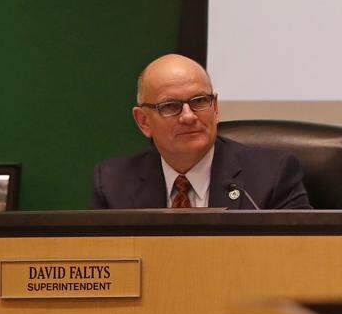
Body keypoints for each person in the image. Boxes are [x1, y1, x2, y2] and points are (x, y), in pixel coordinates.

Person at [90, 54, 311, 209]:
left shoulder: (272, 176)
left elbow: (300, 257)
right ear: (143, 121)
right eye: (170, 106)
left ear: (215, 108)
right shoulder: (113, 184)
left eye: (199, 101)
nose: (188, 116)